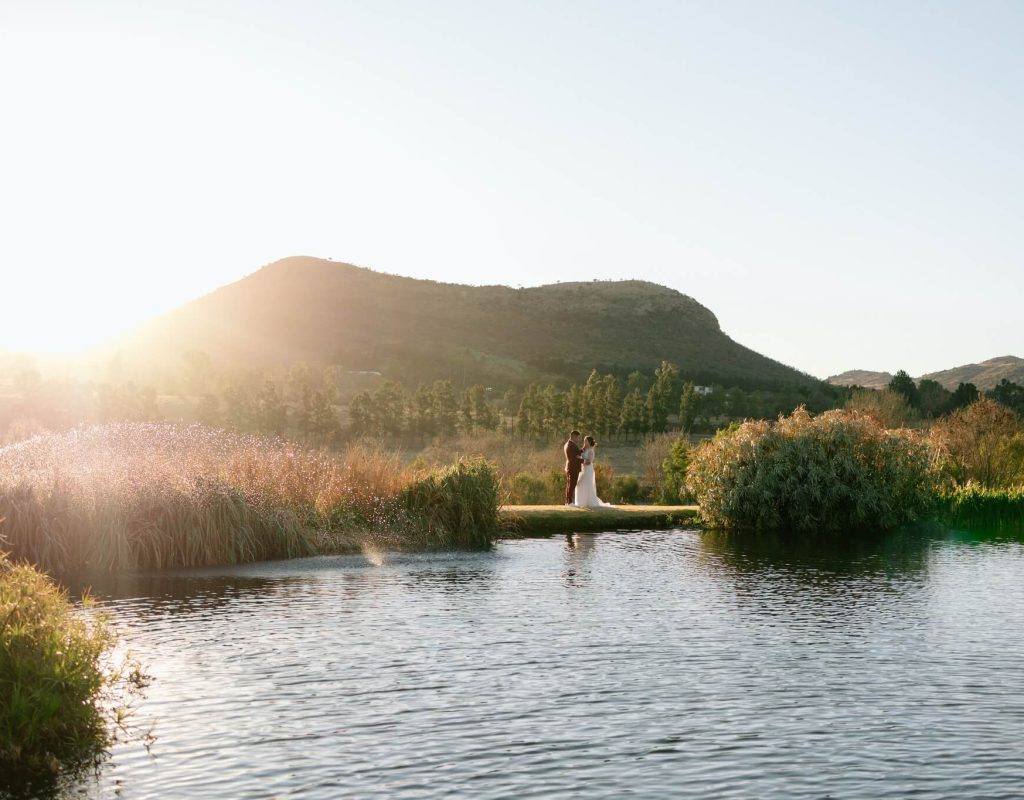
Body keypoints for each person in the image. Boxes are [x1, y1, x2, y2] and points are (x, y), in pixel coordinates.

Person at [574, 435, 612, 508]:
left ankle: (588, 502)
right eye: (584, 441)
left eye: (586, 441)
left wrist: (581, 460)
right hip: (582, 470)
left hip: (588, 470)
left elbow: (589, 462)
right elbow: (580, 456)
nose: (584, 442)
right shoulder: (584, 449)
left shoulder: (591, 450)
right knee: (579, 485)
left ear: (589, 442)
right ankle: (580, 502)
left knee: (587, 485)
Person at [563, 430, 585, 505]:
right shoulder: (570, 445)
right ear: (573, 436)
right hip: (573, 468)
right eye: (577, 437)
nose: (578, 439)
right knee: (571, 485)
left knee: (570, 485)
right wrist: (583, 461)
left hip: (571, 467)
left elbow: (576, 453)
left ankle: (568, 501)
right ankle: (569, 502)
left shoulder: (570, 444)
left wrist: (583, 449)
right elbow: (573, 459)